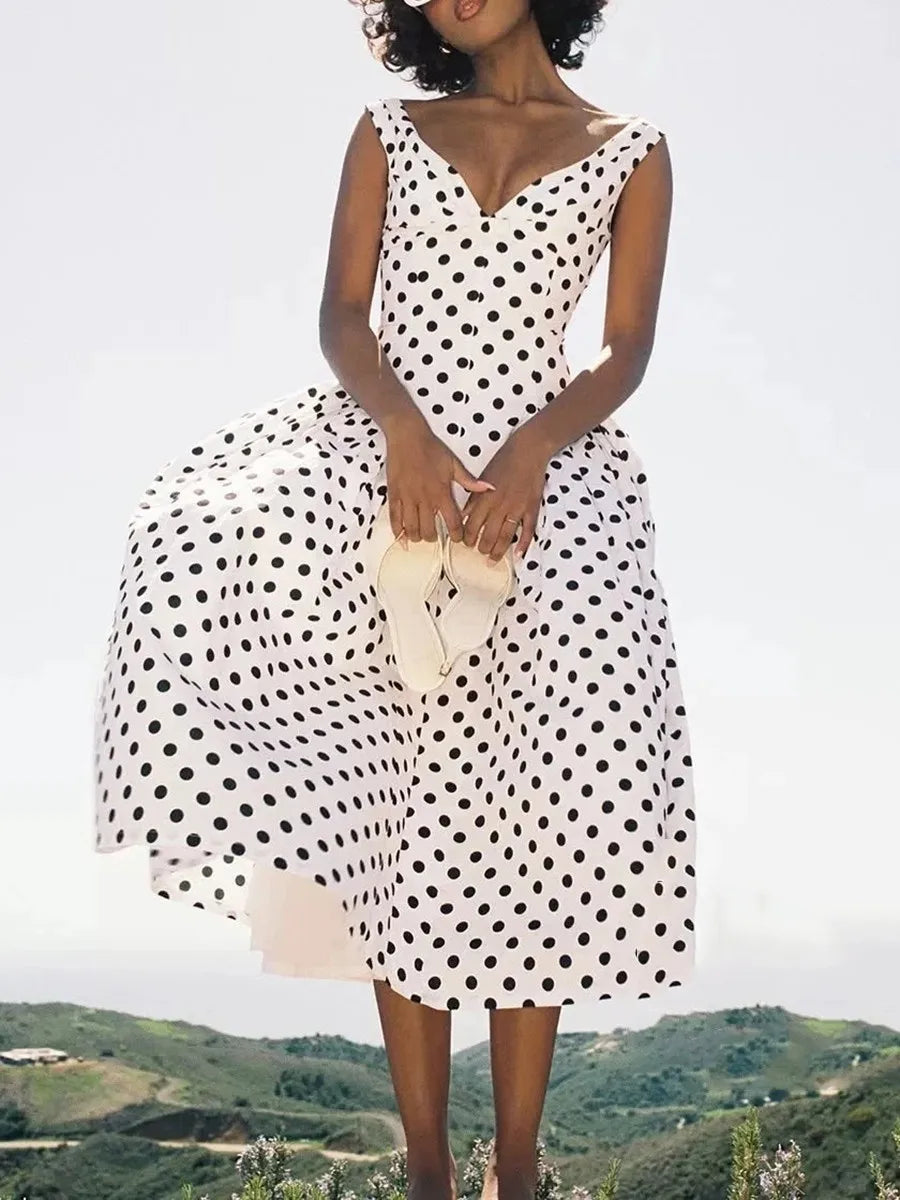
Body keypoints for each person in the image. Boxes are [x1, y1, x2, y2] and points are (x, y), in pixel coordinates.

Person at [93, 2, 697, 1198]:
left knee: (555, 803)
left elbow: (623, 352)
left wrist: (529, 454)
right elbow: (341, 318)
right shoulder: (386, 127)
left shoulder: (635, 147)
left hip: (543, 487)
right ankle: (427, 1166)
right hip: (382, 470)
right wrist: (405, 439)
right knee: (392, 816)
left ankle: (515, 1166)